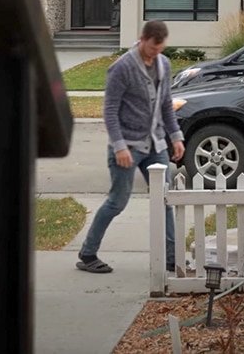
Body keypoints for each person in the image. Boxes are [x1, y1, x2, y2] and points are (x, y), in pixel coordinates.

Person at [77, 20, 184, 274]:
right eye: (151, 49)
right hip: (127, 146)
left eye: (159, 49)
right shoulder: (122, 67)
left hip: (156, 143)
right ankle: (88, 253)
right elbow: (110, 111)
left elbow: (166, 104)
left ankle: (171, 257)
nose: (155, 53)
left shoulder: (164, 64)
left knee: (164, 199)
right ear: (142, 39)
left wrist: (176, 136)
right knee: (117, 201)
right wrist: (119, 146)